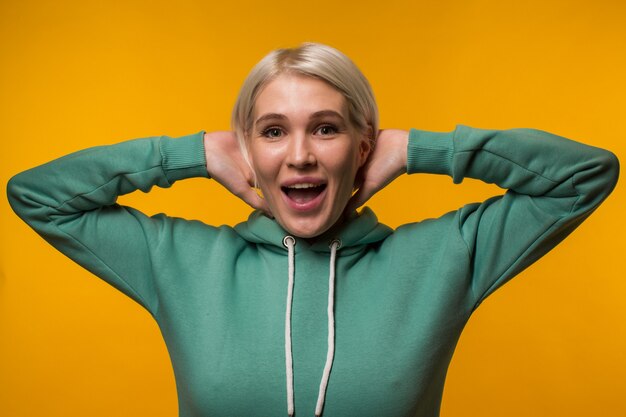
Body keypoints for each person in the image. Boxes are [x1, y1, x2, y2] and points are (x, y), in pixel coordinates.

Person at [6, 42, 619, 417]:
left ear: (361, 146)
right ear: (247, 150)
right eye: (272, 131)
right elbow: (36, 196)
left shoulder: (444, 257)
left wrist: (419, 149)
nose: (299, 155)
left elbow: (585, 175)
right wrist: (189, 153)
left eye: (325, 128)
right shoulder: (178, 260)